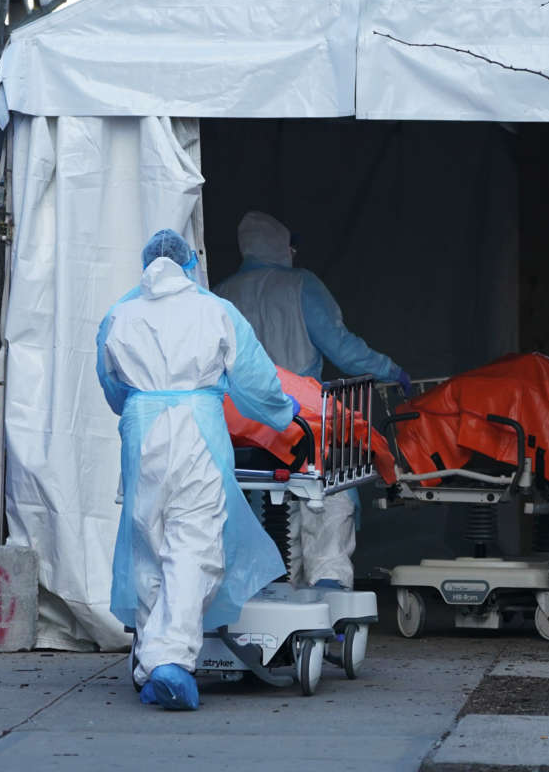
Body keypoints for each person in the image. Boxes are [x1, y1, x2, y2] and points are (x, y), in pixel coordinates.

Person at [97, 229, 300, 711]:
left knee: (149, 542)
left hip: (141, 431)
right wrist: (281, 410)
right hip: (197, 434)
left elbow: (111, 387)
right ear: (190, 266)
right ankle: (171, 662)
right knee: (194, 544)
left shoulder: (119, 316)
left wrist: (144, 406)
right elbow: (252, 376)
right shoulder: (215, 311)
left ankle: (150, 662)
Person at [215, 211, 410, 590]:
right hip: (305, 416)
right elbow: (343, 348)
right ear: (283, 245)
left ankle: (268, 593)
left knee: (261, 508)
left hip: (244, 427)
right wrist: (390, 369)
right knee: (326, 499)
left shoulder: (222, 295)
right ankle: (327, 595)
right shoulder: (301, 285)